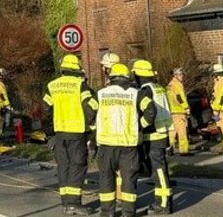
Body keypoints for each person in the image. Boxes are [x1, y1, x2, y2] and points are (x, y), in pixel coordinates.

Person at [95, 63, 154, 217]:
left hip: (106, 145)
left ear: (111, 77)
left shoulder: (101, 94)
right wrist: (140, 126)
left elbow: (88, 111)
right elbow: (151, 111)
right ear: (127, 78)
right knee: (129, 179)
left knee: (106, 178)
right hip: (128, 145)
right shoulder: (136, 94)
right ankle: (128, 212)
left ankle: (107, 212)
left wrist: (95, 129)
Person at [43, 54, 98, 216]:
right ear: (76, 69)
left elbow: (46, 110)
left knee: (64, 166)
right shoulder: (80, 85)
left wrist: (50, 134)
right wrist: (92, 130)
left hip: (59, 133)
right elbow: (89, 109)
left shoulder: (52, 85)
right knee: (77, 166)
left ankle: (66, 203)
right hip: (76, 132)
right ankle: (74, 203)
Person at [133, 59, 174, 215]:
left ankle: (163, 204)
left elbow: (149, 113)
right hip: (162, 132)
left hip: (153, 135)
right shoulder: (158, 87)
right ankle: (161, 201)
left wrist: (140, 125)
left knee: (159, 172)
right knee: (159, 170)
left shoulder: (145, 90)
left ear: (138, 75)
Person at [167, 67, 191, 156]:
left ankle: (170, 148)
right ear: (175, 75)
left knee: (172, 131)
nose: (182, 76)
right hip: (179, 111)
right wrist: (186, 107)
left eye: (182, 74)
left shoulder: (169, 85)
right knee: (182, 131)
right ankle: (184, 150)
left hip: (172, 111)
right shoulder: (177, 84)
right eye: (180, 74)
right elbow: (180, 97)